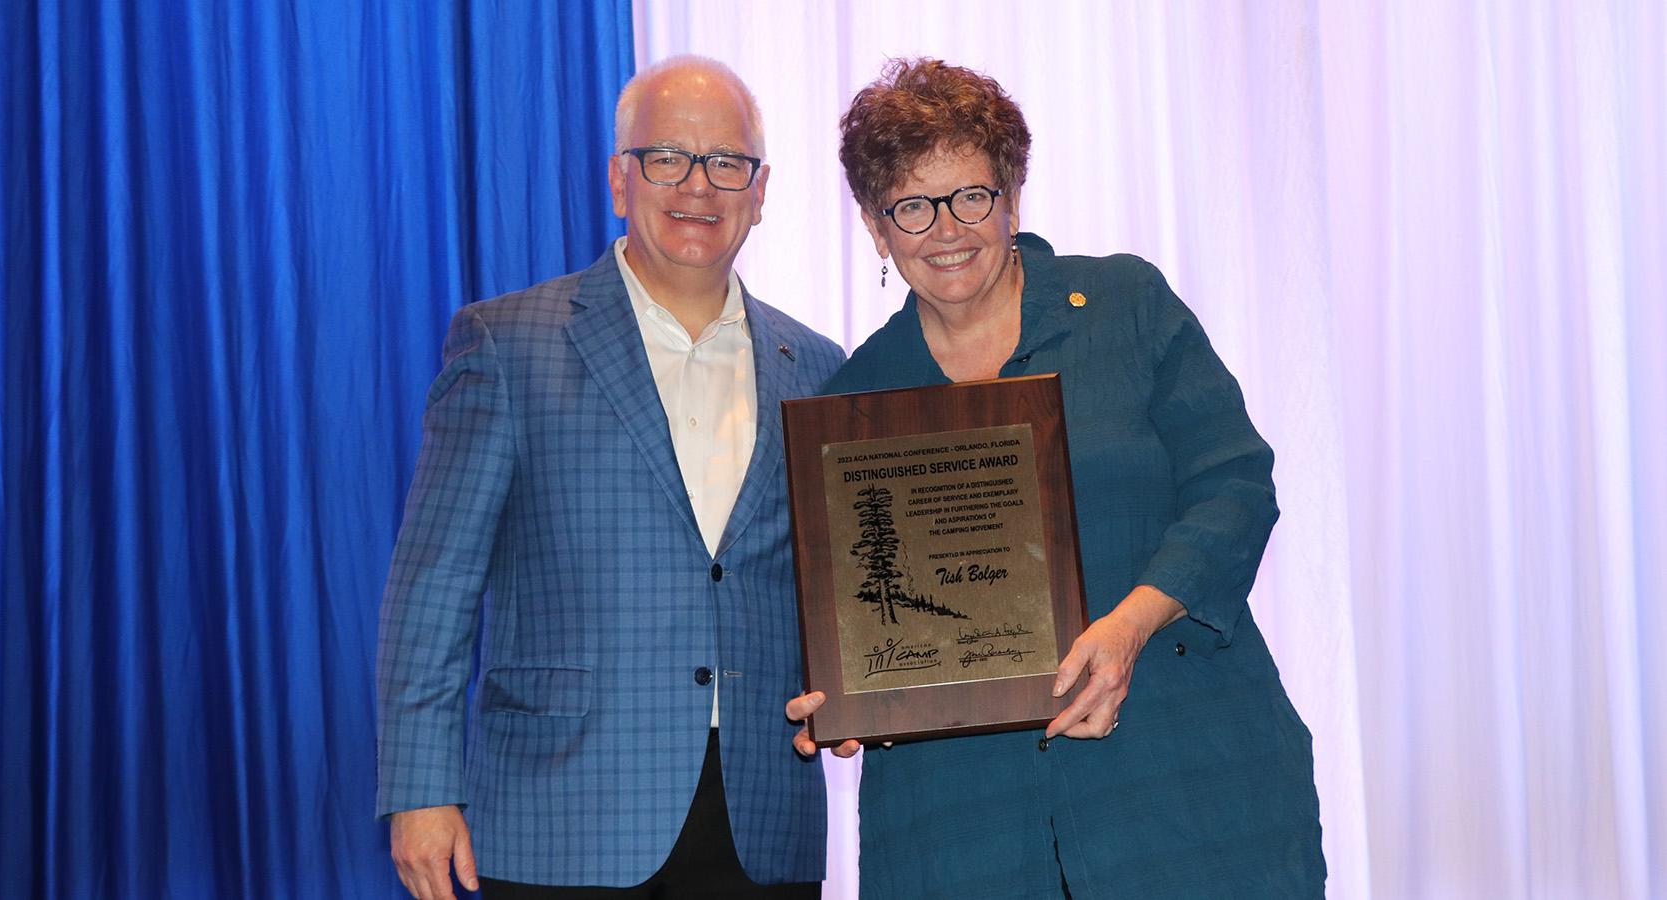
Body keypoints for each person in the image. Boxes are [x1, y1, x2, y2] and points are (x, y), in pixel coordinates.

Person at [787, 59, 1325, 897]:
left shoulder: (1125, 306)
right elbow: (855, 610)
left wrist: (1130, 626)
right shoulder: (856, 400)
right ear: (874, 225)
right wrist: (848, 700)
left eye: (972, 195)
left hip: (1187, 785)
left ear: (1012, 195)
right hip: (963, 829)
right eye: (911, 207)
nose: (948, 228)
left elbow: (1236, 486)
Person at [378, 56, 843, 900]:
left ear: (761, 189)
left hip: (763, 823)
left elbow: (831, 586)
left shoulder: (815, 366)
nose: (698, 184)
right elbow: (432, 588)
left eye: (726, 162)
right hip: (566, 819)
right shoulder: (507, 344)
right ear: (619, 177)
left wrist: (857, 693)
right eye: (668, 156)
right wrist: (419, 788)